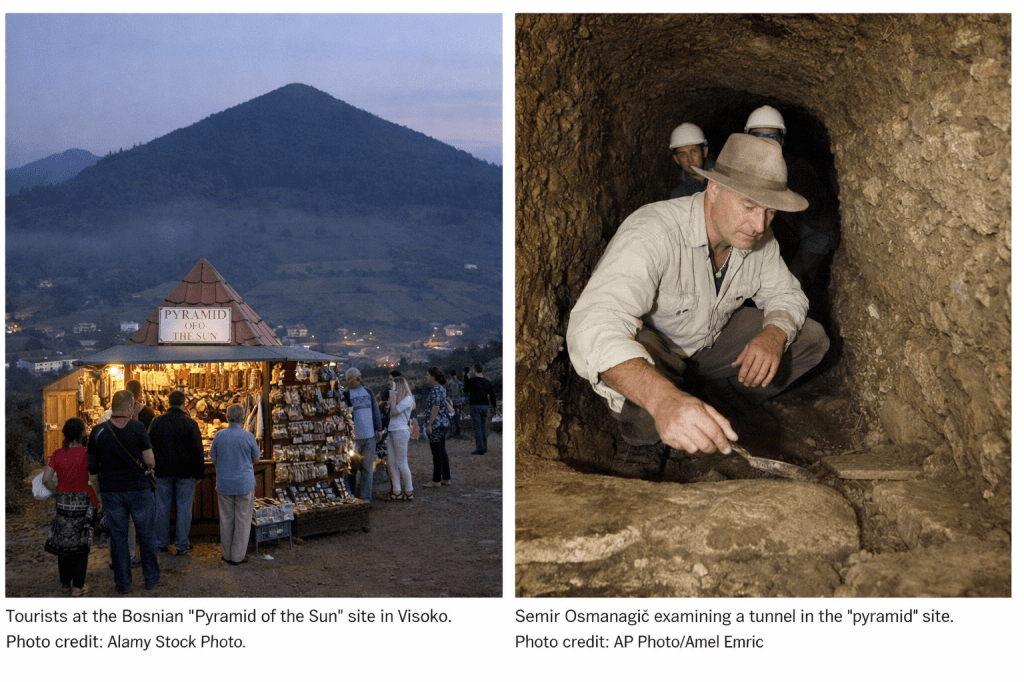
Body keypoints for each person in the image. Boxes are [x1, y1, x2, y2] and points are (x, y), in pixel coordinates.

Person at [566, 133, 830, 480]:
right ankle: (645, 443)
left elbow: (787, 295)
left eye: (770, 211)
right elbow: (593, 324)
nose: (760, 224)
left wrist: (774, 332)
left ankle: (720, 408)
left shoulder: (759, 238)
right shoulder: (654, 231)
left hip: (710, 343)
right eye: (749, 206)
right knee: (641, 351)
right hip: (663, 351)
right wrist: (664, 401)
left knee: (810, 337)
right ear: (715, 190)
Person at [743, 105, 840, 293]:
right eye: (758, 137)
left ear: (781, 140)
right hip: (794, 229)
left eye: (771, 137)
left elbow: (816, 210)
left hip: (816, 231)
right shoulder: (744, 169)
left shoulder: (796, 169)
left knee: (795, 277)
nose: (765, 143)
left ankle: (802, 310)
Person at [87, 390, 161, 594]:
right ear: (129, 407)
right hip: (139, 490)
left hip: (112, 492)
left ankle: (123, 583)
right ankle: (151, 578)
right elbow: (150, 461)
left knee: (118, 539)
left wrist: (100, 496)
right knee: (146, 535)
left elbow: (93, 471)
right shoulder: (138, 429)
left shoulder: (98, 431)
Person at [42, 418, 98, 597]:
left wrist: (57, 491)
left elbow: (46, 479)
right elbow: (95, 479)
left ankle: (65, 584)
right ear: (82, 433)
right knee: (82, 544)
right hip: (84, 502)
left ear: (65, 434)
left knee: (63, 544)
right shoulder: (88, 453)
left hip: (64, 502)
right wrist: (100, 499)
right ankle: (78, 587)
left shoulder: (57, 454)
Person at [148, 390, 205, 556]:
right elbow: (197, 451)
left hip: (162, 472)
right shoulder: (190, 423)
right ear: (183, 404)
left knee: (162, 508)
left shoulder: (156, 421)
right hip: (185, 473)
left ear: (168, 403)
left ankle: (161, 543)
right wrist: (199, 473)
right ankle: (181, 544)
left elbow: (149, 445)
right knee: (184, 508)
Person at [208, 403, 261, 566]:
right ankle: (238, 556)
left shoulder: (219, 436)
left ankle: (227, 554)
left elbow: (213, 457)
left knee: (226, 519)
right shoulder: (248, 436)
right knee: (243, 520)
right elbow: (256, 459)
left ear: (227, 416)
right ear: (243, 417)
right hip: (244, 483)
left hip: (225, 483)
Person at [343, 368, 383, 502]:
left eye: (351, 378)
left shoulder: (369, 392)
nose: (349, 381)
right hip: (354, 439)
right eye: (347, 379)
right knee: (351, 470)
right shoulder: (346, 394)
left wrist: (379, 429)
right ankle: (352, 499)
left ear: (359, 378)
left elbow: (375, 410)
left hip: (369, 437)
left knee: (367, 469)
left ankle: (366, 499)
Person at [385, 376, 416, 501]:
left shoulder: (408, 399)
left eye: (394, 386)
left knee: (402, 462)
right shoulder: (400, 399)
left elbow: (393, 412)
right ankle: (397, 490)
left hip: (401, 431)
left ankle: (409, 490)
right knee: (391, 462)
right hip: (391, 430)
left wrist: (392, 396)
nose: (392, 388)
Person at [668, 122, 714, 199]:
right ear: (677, 159)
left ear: (704, 152)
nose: (690, 160)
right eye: (683, 155)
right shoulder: (679, 196)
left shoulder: (725, 173)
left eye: (694, 152)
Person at [423, 366, 452, 487]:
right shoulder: (441, 388)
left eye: (427, 374)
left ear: (433, 376)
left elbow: (435, 407)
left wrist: (429, 424)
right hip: (443, 423)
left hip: (436, 424)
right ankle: (446, 477)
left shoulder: (435, 389)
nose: (426, 376)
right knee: (442, 450)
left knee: (436, 452)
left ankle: (436, 480)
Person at [464, 363, 497, 455]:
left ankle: (480, 447)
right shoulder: (487, 381)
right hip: (485, 406)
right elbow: (492, 395)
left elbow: (466, 390)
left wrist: (466, 377)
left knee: (477, 427)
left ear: (475, 370)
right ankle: (484, 446)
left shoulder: (472, 380)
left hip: (475, 406)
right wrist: (494, 407)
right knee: (482, 426)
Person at [447, 369, 464, 437]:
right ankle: (458, 432)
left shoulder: (449, 382)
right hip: (458, 402)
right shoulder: (459, 382)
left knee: (451, 418)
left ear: (450, 375)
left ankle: (452, 432)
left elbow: (447, 392)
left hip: (451, 403)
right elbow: (462, 392)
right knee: (458, 417)